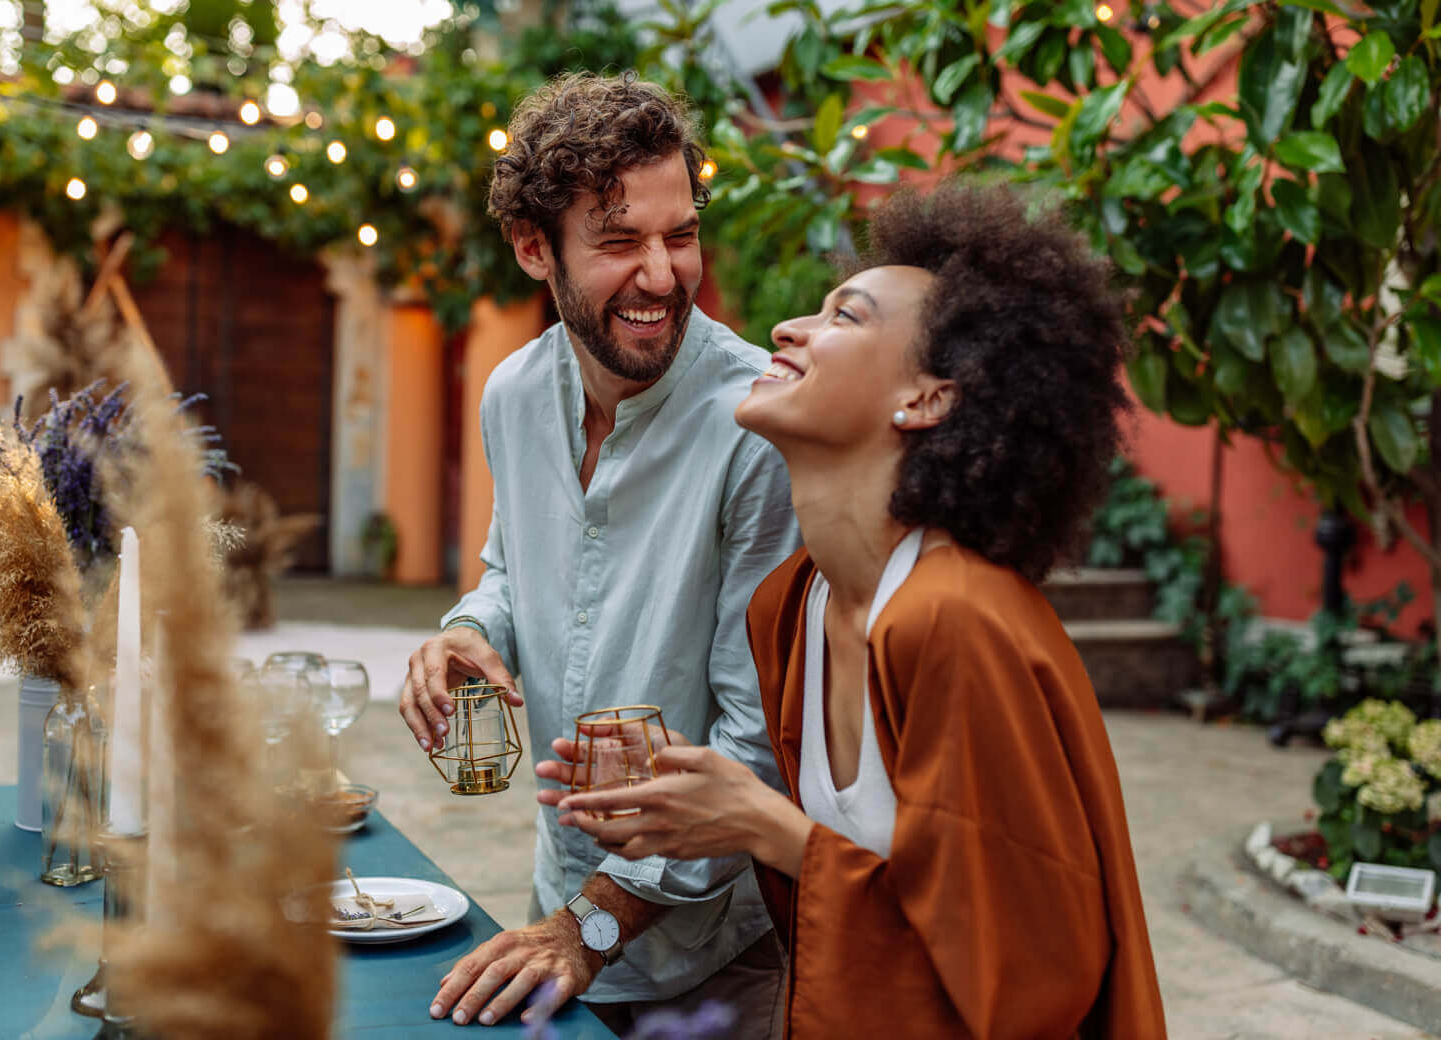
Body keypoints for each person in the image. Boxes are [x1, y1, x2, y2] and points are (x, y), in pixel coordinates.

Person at [555, 182, 1168, 1038]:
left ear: (927, 398)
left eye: (846, 318)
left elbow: (1032, 977)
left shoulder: (955, 622)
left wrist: (769, 828)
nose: (787, 329)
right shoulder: (791, 606)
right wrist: (693, 802)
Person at [398, 72, 800, 1033]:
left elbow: (757, 751)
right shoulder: (509, 395)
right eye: (620, 242)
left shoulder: (759, 424)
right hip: (560, 914)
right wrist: (466, 630)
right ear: (535, 248)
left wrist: (595, 928)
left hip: (715, 958)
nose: (662, 274)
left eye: (682, 234)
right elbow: (512, 564)